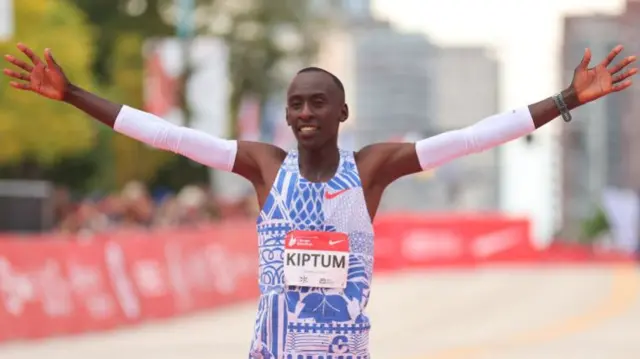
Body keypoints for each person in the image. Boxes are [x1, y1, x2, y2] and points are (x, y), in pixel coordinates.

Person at [3, 43, 636, 358]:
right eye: (296, 104)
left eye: (317, 102)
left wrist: (566, 100)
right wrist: (73, 94)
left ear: (341, 112)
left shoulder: (373, 171)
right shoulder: (262, 167)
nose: (305, 112)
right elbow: (167, 135)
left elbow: (470, 139)